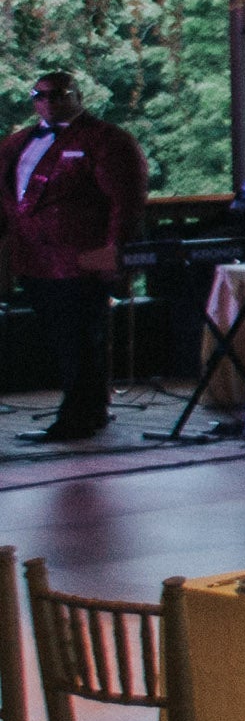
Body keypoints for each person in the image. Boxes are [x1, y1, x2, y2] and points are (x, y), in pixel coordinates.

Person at [5, 70, 149, 442]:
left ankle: (78, 417)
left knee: (81, 338)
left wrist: (114, 252)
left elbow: (126, 201)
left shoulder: (107, 140)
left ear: (77, 96)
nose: (48, 102)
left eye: (58, 95)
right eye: (40, 96)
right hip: (32, 258)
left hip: (83, 258)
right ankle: (87, 410)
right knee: (60, 339)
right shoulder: (17, 143)